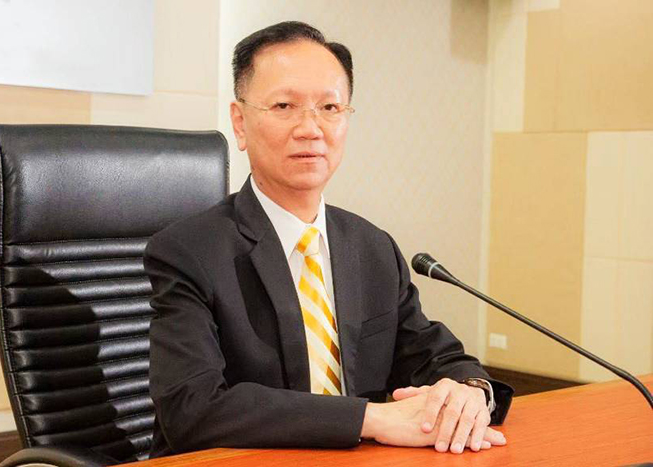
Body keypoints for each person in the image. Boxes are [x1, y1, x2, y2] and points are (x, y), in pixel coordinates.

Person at [145, 21, 513, 459]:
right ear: (240, 124)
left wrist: (469, 391)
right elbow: (192, 409)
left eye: (330, 107)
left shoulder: (372, 247)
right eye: (284, 105)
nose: (310, 128)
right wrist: (370, 419)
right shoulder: (189, 252)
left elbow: (432, 355)